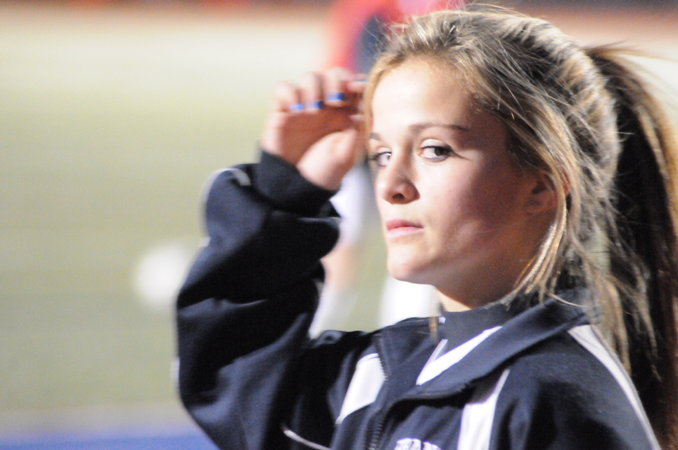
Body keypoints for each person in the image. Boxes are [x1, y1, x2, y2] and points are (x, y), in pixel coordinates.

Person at [175, 7, 677, 449]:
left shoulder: (552, 403)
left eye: (435, 150)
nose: (390, 184)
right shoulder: (389, 372)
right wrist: (286, 191)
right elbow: (235, 382)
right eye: (381, 153)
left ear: (543, 184)